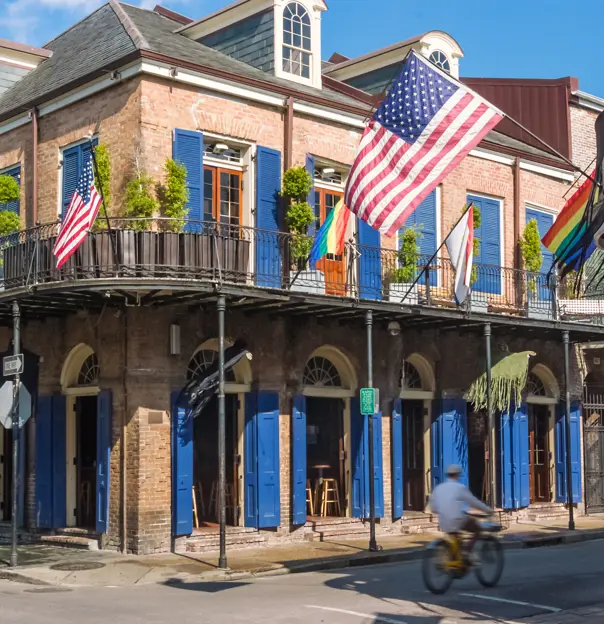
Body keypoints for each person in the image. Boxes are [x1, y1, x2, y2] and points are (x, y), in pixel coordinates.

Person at [429, 464, 492, 562]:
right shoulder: (459, 487)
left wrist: (445, 510)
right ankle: (467, 552)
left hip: (443, 522)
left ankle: (457, 558)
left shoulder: (438, 488)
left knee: (456, 537)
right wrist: (487, 510)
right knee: (478, 529)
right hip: (458, 519)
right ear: (457, 475)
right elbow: (473, 502)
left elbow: (433, 508)